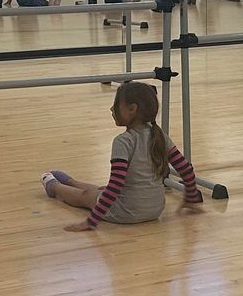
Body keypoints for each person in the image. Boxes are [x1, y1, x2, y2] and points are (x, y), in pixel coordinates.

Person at [45, 81, 204, 230]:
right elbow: (186, 169)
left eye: (115, 105)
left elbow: (116, 185)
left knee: (87, 196)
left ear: (132, 109)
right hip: (155, 210)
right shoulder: (159, 135)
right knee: (101, 190)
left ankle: (54, 187)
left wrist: (91, 221)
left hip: (126, 212)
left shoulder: (123, 141)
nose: (111, 109)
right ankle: (72, 181)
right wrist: (190, 197)